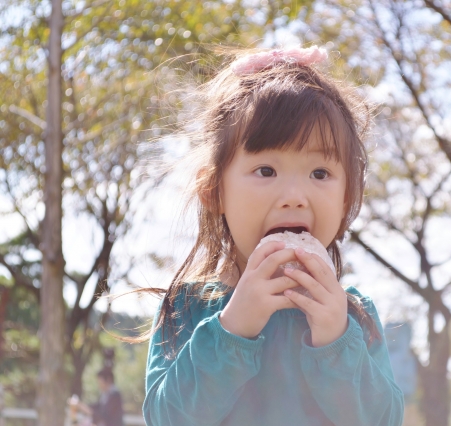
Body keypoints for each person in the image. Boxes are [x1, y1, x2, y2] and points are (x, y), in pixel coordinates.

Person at [142, 45, 404, 426]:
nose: (295, 198)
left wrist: (336, 340)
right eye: (266, 170)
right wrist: (232, 329)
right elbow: (167, 419)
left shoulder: (353, 316)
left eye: (319, 173)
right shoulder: (187, 307)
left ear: (347, 198)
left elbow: (383, 420)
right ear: (214, 189)